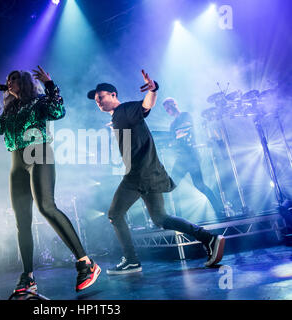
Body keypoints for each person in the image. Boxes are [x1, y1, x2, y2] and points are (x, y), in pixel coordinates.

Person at [87, 70, 225, 274]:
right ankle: (209, 239)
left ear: (113, 95)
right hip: (148, 173)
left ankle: (132, 260)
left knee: (115, 215)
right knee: (161, 218)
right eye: (96, 100)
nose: (98, 101)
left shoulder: (125, 110)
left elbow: (145, 105)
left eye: (101, 97)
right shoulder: (118, 117)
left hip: (139, 174)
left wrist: (153, 89)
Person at [0, 66, 101, 292]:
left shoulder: (38, 101)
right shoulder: (10, 109)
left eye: (15, 78)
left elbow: (58, 111)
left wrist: (49, 84)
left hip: (38, 152)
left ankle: (86, 263)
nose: (9, 82)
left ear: (26, 82)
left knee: (46, 207)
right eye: (8, 79)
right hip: (16, 162)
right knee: (22, 221)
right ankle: (28, 276)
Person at [162, 97, 223, 218]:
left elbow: (189, 129)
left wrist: (179, 136)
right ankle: (175, 216)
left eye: (169, 106)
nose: (168, 110)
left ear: (175, 104)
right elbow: (172, 140)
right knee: (171, 185)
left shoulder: (185, 116)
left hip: (192, 157)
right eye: (166, 109)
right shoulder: (172, 124)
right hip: (182, 158)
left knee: (198, 185)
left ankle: (219, 210)